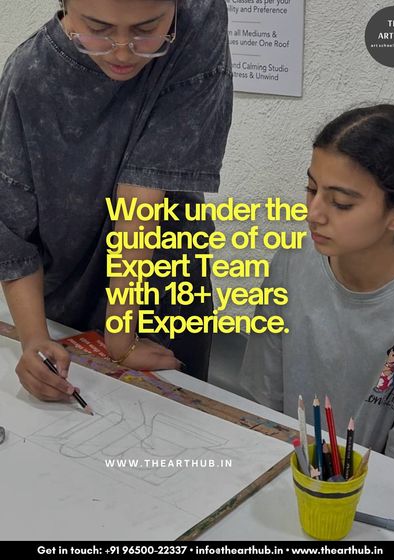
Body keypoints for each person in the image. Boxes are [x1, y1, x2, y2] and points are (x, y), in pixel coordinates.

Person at [0, 0, 233, 401]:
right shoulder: (31, 76)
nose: (123, 53)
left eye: (146, 30)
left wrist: (121, 338)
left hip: (165, 282)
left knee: (178, 420)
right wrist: (34, 339)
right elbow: (11, 231)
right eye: (98, 29)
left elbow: (143, 188)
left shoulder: (198, 18)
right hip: (66, 291)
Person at [240, 104, 394, 469]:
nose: (313, 213)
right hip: (279, 469)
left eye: (341, 203)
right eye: (311, 189)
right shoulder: (292, 262)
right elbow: (261, 405)